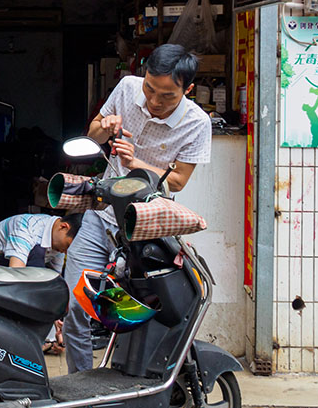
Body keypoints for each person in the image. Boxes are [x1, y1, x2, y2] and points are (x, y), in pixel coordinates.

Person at [62, 44, 211, 374]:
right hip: (100, 218)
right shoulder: (128, 87)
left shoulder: (198, 124)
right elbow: (94, 132)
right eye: (150, 89)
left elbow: (179, 181)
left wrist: (135, 163)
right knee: (76, 304)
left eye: (167, 96)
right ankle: (78, 385)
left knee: (143, 312)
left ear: (187, 90)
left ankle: (134, 385)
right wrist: (105, 126)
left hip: (146, 230)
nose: (155, 101)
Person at [0, 212, 83, 354]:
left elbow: (54, 286)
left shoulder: (57, 240)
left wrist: (57, 326)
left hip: (11, 278)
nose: (66, 252)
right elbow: (17, 281)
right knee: (36, 262)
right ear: (63, 227)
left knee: (46, 281)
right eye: (68, 246)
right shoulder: (26, 228)